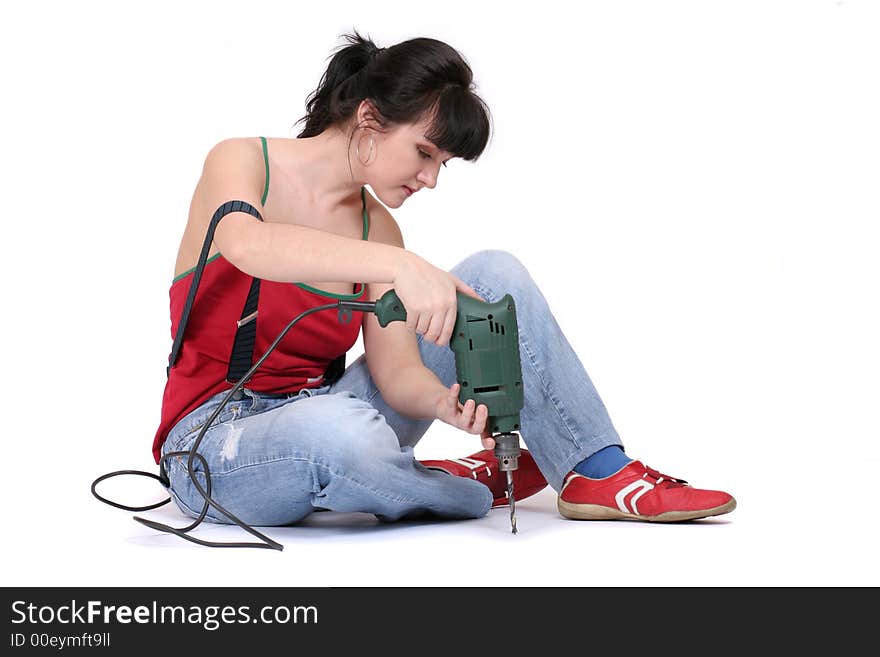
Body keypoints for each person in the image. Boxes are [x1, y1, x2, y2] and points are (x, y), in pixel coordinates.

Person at [154, 30, 735, 531]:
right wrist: (400, 268)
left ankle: (595, 472)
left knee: (491, 276)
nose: (430, 178)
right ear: (369, 120)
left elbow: (396, 372)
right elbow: (248, 246)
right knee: (338, 434)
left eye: (443, 165)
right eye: (424, 152)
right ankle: (455, 489)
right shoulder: (243, 161)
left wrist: (442, 404)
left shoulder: (376, 227)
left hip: (333, 409)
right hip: (211, 442)